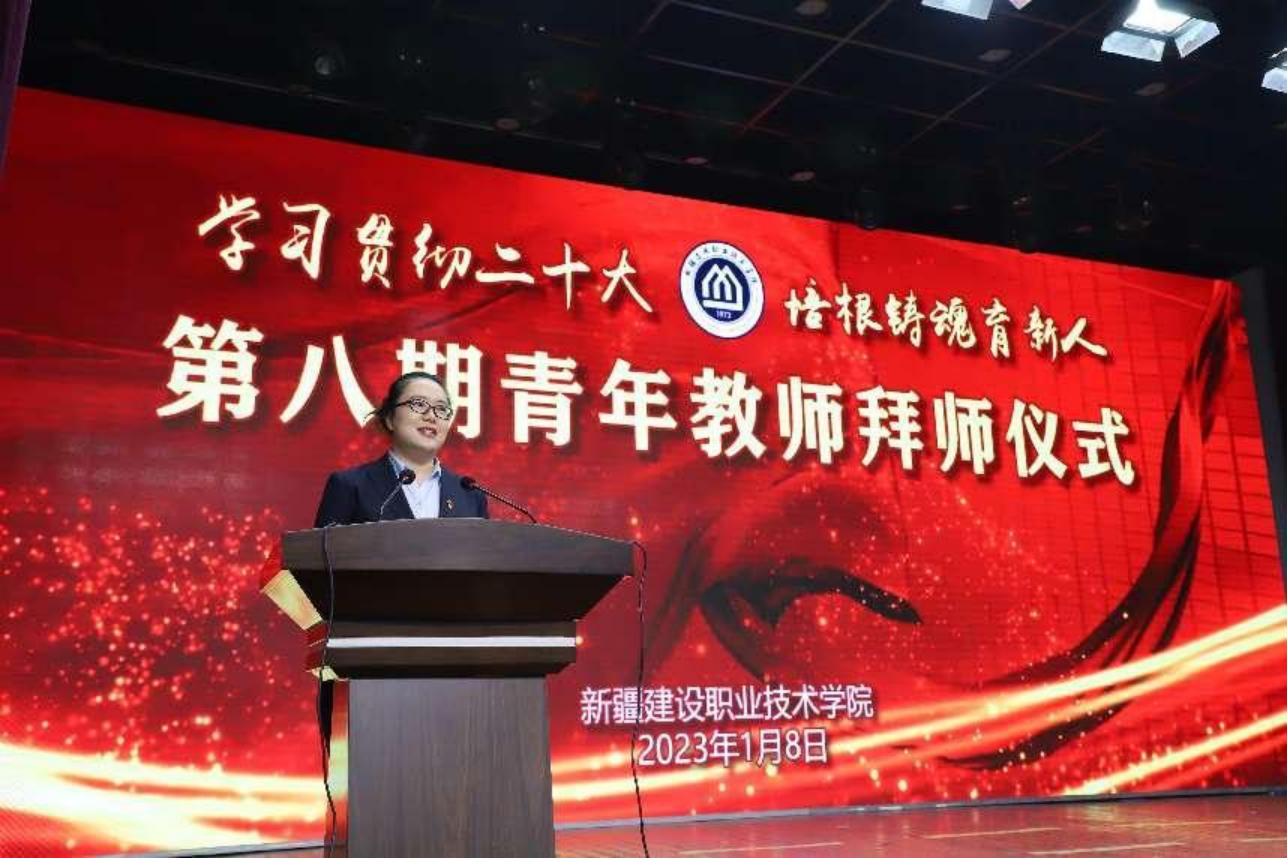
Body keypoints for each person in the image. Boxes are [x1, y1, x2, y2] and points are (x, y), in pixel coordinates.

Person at [314, 371, 488, 526]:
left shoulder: (470, 494)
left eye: (441, 409)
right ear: (390, 418)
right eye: (419, 404)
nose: (431, 416)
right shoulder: (349, 485)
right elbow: (322, 550)